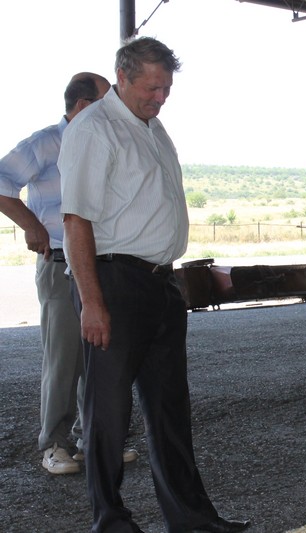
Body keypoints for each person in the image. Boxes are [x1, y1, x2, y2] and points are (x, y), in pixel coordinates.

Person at [59, 37, 250, 533]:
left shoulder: (153, 126)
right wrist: (92, 302)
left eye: (166, 88)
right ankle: (110, 522)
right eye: (151, 88)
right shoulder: (93, 129)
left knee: (170, 409)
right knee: (109, 411)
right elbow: (76, 220)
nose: (161, 98)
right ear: (121, 78)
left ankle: (192, 520)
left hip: (161, 282)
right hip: (113, 281)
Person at [0, 72, 119, 475]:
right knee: (64, 357)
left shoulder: (102, 142)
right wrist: (31, 225)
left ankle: (92, 440)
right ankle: (54, 445)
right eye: (106, 102)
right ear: (83, 106)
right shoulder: (46, 142)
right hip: (58, 263)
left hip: (101, 263)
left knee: (98, 353)